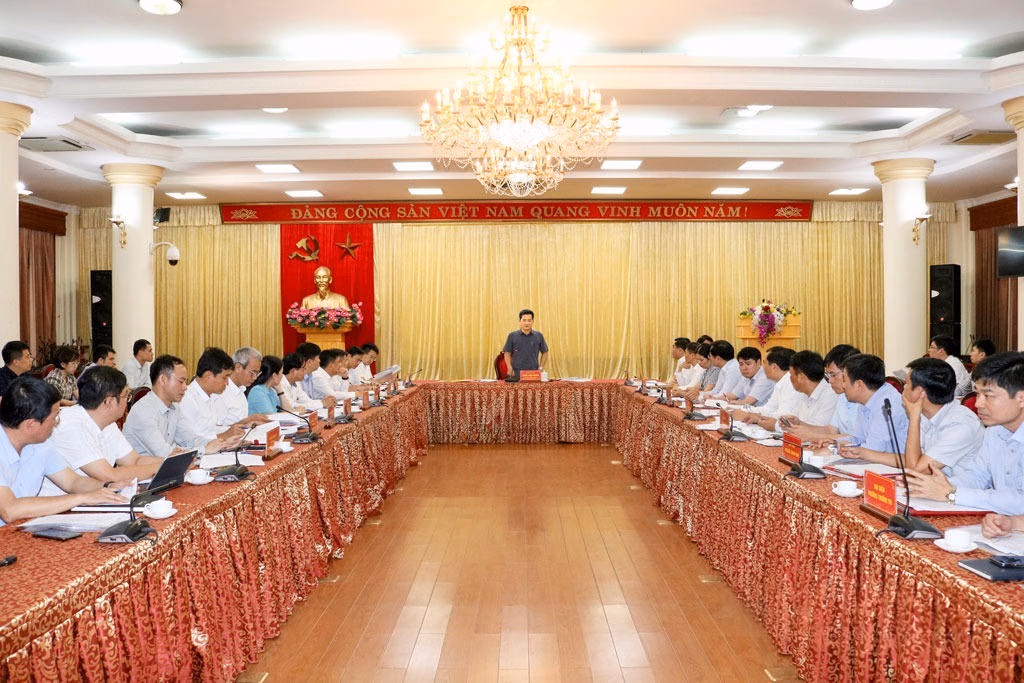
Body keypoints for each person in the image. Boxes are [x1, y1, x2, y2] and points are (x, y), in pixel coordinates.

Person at [0, 376, 127, 526]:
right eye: (54, 417)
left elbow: (73, 482)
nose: (57, 423)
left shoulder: (39, 443)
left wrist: (107, 487)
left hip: (20, 528)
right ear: (31, 425)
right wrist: (81, 498)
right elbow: (9, 510)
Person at [908, 352, 1024, 514]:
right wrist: (934, 486)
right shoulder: (995, 430)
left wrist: (952, 494)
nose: (978, 404)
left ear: (1021, 398)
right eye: (977, 394)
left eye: (988, 395)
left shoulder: (967, 422)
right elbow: (977, 476)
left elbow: (1020, 501)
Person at [841, 357, 983, 474]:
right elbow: (911, 460)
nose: (903, 388)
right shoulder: (927, 415)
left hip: (959, 494)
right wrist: (862, 453)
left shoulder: (960, 424)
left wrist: (914, 418)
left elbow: (916, 469)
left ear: (920, 392)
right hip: (933, 487)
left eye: (907, 384)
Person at [39, 367, 164, 495]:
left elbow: (134, 460)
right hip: (63, 504)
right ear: (109, 402)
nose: (128, 401)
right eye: (126, 395)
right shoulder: (69, 425)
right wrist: (162, 467)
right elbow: (109, 476)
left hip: (94, 498)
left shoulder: (107, 422)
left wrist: (171, 462)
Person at [123, 355, 240, 457]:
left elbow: (189, 440)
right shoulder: (143, 412)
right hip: (142, 474)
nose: (185, 387)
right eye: (181, 381)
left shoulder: (174, 407)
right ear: (163, 380)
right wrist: (204, 450)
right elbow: (165, 454)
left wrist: (222, 443)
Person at [784, 344, 859, 443]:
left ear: (849, 372)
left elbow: (858, 439)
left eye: (833, 374)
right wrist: (800, 424)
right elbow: (830, 430)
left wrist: (813, 437)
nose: (830, 381)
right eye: (828, 375)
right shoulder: (842, 396)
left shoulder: (865, 399)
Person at [179, 347, 255, 445]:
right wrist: (224, 436)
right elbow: (187, 442)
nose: (227, 383)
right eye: (224, 377)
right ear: (208, 376)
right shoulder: (185, 398)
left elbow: (213, 429)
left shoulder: (212, 396)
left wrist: (236, 430)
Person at [836, 353, 908, 453]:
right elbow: (857, 438)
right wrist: (834, 444)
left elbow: (872, 449)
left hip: (893, 462)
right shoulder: (866, 399)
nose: (843, 386)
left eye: (844, 380)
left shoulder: (886, 404)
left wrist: (835, 450)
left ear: (858, 384)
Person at [735, 347, 798, 425]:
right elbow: (769, 408)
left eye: (764, 363)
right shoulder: (781, 382)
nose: (762, 367)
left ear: (774, 367)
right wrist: (745, 410)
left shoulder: (791, 383)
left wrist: (757, 417)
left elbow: (784, 417)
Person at [213, 346, 264, 426]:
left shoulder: (241, 388)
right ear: (238, 367)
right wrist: (247, 421)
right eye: (252, 373)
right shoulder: (221, 391)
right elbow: (216, 429)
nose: (255, 378)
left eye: (257, 373)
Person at [502, 309, 548, 380]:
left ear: (533, 321)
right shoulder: (512, 336)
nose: (527, 323)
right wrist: (509, 367)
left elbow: (545, 352)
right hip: (516, 374)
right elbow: (507, 353)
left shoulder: (539, 336)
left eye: (529, 320)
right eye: (524, 320)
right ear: (519, 321)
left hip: (533, 374)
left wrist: (541, 367)